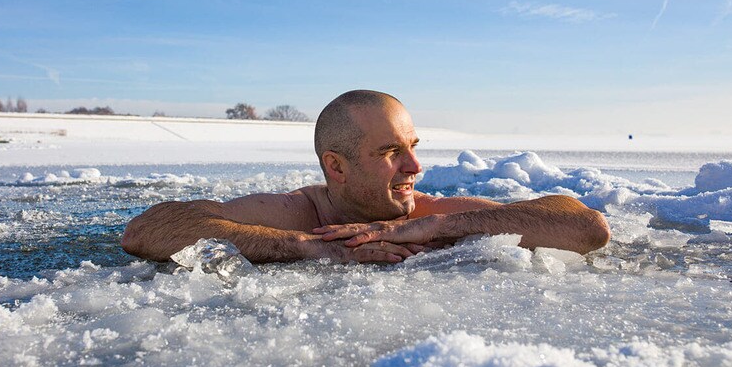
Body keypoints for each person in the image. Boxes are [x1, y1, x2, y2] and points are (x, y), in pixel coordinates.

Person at [121, 90, 610, 263]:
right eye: (391, 152)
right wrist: (314, 248)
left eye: (413, 148)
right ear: (336, 166)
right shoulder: (299, 213)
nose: (415, 168)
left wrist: (430, 228)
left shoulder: (431, 214)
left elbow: (585, 227)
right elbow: (146, 231)